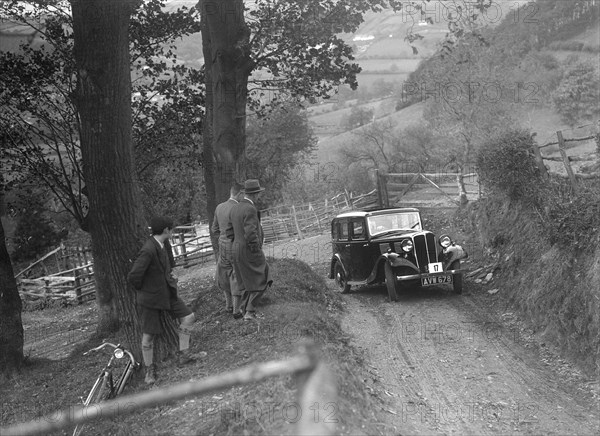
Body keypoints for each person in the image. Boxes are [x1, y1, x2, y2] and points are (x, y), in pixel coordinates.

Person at [128, 216, 203, 385]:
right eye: (171, 229)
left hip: (167, 293)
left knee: (188, 317)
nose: (172, 231)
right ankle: (150, 370)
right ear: (166, 231)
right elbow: (133, 276)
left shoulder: (162, 244)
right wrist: (148, 289)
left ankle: (184, 354)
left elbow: (167, 267)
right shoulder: (148, 250)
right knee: (149, 336)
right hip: (150, 299)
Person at [230, 179, 273, 320]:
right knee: (263, 276)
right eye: (259, 193)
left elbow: (229, 232)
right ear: (255, 194)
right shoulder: (250, 209)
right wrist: (256, 250)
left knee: (245, 281)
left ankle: (244, 310)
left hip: (236, 249)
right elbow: (250, 233)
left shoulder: (235, 208)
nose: (259, 196)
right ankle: (250, 311)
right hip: (248, 249)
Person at [211, 182, 245, 316]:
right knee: (236, 274)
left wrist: (223, 237)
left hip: (222, 245)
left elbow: (214, 229)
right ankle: (237, 310)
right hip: (235, 246)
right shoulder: (238, 208)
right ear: (239, 193)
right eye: (243, 194)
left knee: (224, 272)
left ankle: (228, 305)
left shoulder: (219, 207)